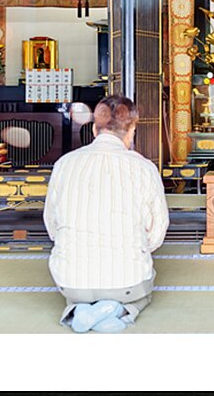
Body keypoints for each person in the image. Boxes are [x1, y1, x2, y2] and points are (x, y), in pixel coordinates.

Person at [43, 95, 169, 333]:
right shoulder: (144, 167)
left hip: (70, 283)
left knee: (77, 289)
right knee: (142, 293)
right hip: (127, 282)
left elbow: (51, 224)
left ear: (93, 129)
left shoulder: (64, 163)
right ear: (131, 130)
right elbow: (157, 232)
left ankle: (78, 309)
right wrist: (136, 245)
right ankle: (119, 310)